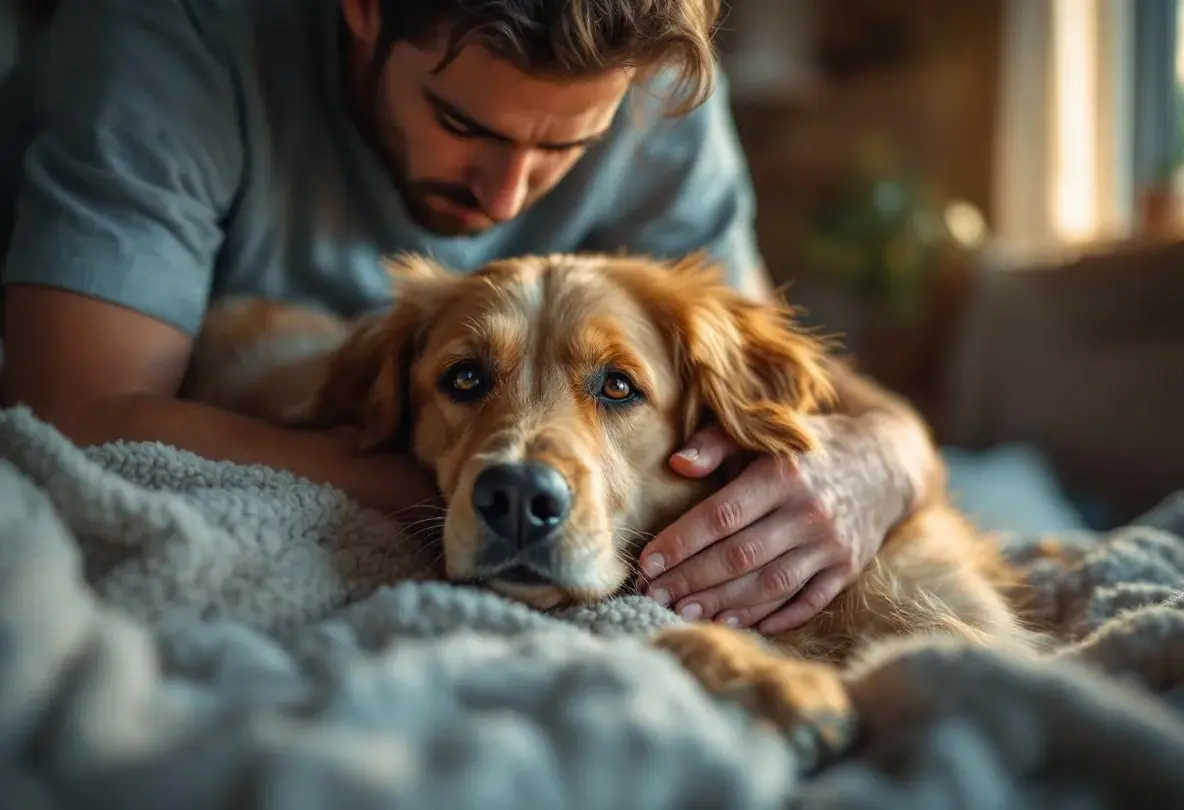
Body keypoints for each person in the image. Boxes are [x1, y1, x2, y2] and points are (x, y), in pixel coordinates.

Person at [0, 0, 938, 634]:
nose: (506, 196)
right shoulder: (168, 35)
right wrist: (478, 483)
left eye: (567, 146)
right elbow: (78, 414)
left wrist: (889, 458)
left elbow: (767, 379)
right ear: (364, 9)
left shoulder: (652, 86)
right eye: (463, 124)